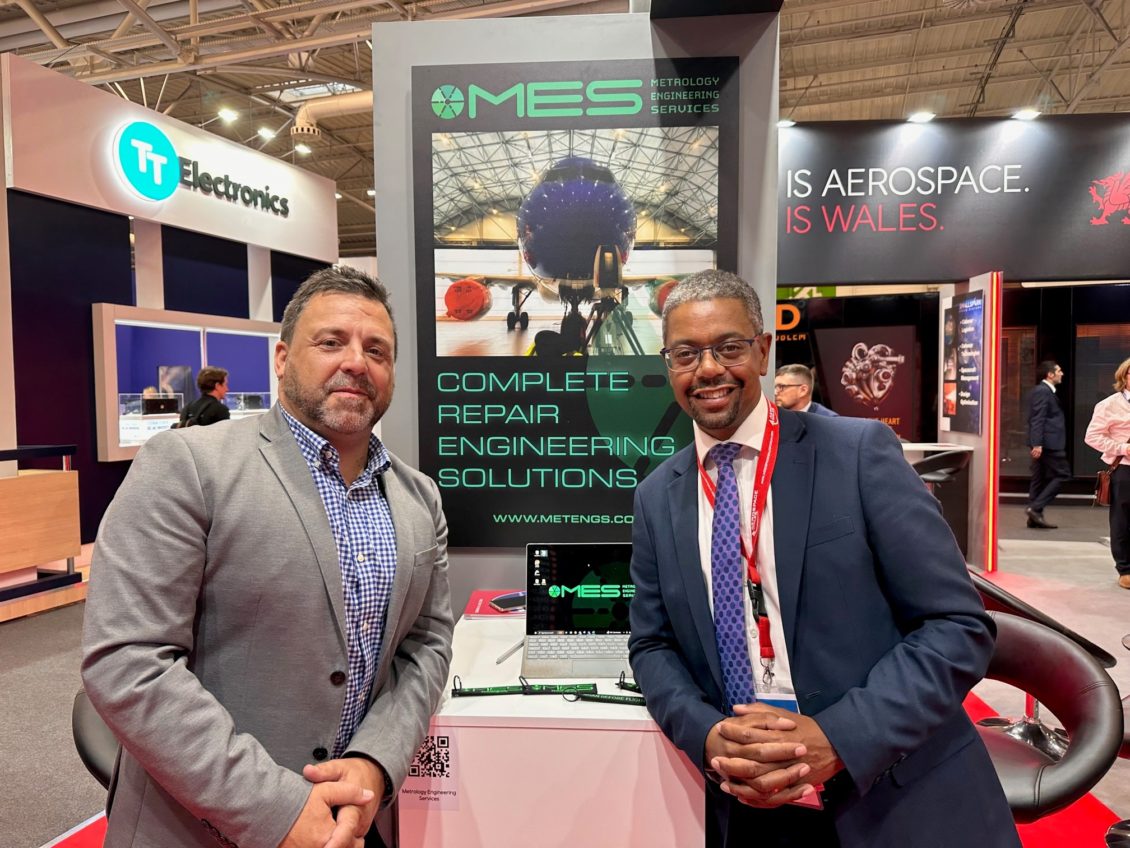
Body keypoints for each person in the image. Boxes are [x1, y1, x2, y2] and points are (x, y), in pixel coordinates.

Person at [628, 270, 1017, 848]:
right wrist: (708, 735)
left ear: (763, 351)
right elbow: (651, 645)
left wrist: (839, 738)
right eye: (686, 354)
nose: (707, 369)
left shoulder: (857, 453)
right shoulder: (658, 495)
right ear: (669, 365)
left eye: (728, 347)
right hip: (745, 805)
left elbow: (957, 625)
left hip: (891, 798)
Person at [82, 266, 454, 848]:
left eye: (376, 350)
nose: (356, 362)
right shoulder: (187, 466)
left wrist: (375, 762)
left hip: (355, 821)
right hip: (202, 830)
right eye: (331, 342)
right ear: (282, 359)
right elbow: (128, 660)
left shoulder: (418, 497)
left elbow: (426, 645)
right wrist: (276, 810)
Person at [1084, 356, 1130, 589]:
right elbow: (1092, 437)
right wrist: (1123, 448)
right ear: (1125, 376)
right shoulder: (1108, 405)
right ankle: (1125, 568)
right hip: (1124, 469)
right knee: (1122, 520)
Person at [1025, 360, 1069, 529]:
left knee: (1039, 477)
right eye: (1059, 371)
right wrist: (1037, 443)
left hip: (1045, 443)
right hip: (1049, 444)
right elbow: (1038, 418)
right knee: (1063, 475)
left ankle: (1034, 518)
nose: (1061, 373)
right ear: (1050, 374)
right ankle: (1035, 508)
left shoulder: (1044, 391)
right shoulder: (1043, 391)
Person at [773, 364, 837, 416]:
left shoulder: (828, 421)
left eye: (781, 387)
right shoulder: (773, 417)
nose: (775, 392)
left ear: (803, 390)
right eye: (775, 387)